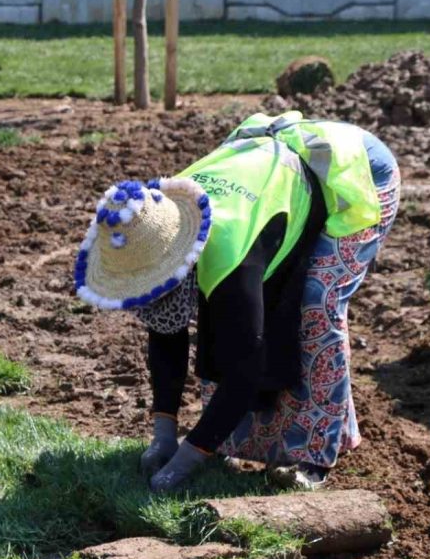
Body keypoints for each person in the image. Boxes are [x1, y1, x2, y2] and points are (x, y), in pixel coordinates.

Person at [75, 111, 399, 492]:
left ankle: (313, 454)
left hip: (353, 173)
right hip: (269, 173)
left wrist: (188, 457)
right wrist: (164, 429)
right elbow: (167, 330)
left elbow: (247, 364)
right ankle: (228, 438)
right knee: (224, 323)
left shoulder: (230, 250)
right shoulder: (156, 220)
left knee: (315, 307)